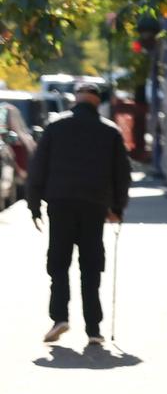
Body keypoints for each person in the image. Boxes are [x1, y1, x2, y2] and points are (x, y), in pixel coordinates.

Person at [27, 81, 131, 345]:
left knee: (59, 263)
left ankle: (59, 317)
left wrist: (34, 205)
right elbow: (122, 175)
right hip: (94, 205)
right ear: (98, 101)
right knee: (91, 266)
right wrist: (117, 208)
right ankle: (94, 329)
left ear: (76, 99)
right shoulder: (110, 132)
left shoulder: (56, 127)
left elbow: (38, 168)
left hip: (60, 203)